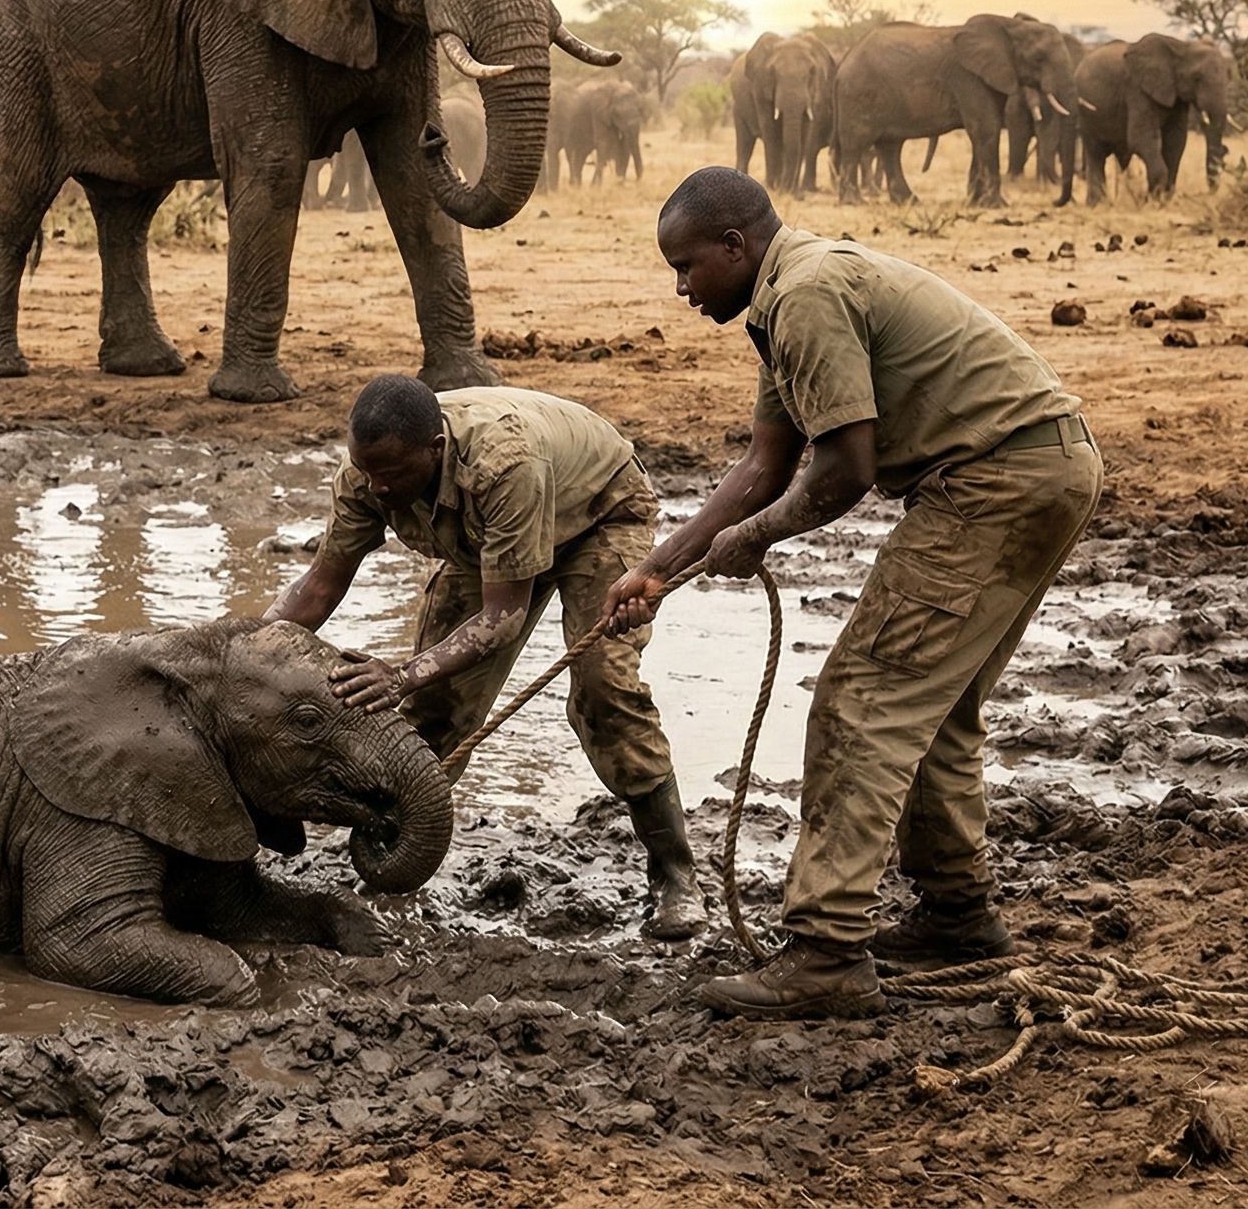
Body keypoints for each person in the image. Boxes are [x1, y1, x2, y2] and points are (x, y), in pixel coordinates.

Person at [606, 167, 1101, 1018]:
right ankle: (957, 914)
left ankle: (829, 951)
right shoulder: (781, 302)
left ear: (736, 246)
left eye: (687, 267)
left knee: (860, 701)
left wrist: (752, 539)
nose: (681, 290)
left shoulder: (806, 295)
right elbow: (766, 466)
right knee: (932, 703)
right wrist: (659, 567)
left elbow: (841, 477)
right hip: (1041, 466)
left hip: (998, 477)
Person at [268, 375, 706, 941]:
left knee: (605, 694)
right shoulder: (367, 475)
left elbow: (503, 619)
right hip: (488, 541)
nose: (377, 488)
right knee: (433, 710)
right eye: (368, 472)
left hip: (596, 516)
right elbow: (320, 587)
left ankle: (676, 876)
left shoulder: (502, 463)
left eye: (393, 475)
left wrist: (400, 673)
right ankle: (393, 867)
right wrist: (239, 649)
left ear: (436, 449)